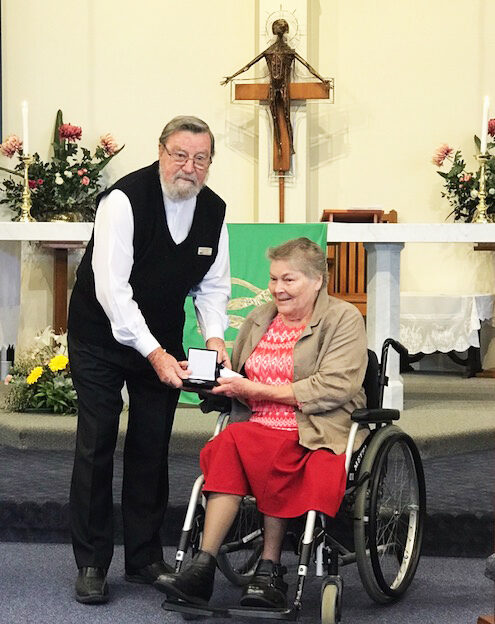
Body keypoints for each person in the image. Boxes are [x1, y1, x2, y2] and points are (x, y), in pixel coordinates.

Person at [67, 115, 231, 604]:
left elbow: (213, 284)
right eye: (180, 155)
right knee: (96, 441)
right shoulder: (122, 200)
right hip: (100, 335)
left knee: (151, 443)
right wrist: (155, 353)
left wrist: (216, 336)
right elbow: (112, 290)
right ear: (161, 152)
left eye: (201, 158)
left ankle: (142, 557)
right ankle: (93, 562)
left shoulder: (214, 210)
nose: (190, 167)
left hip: (160, 336)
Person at [154, 237, 368, 609]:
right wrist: (209, 378)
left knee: (258, 448)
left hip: (314, 428)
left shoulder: (343, 319)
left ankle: (269, 567)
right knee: (227, 446)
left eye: (289, 280)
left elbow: (334, 387)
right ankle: (202, 566)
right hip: (255, 423)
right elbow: (238, 374)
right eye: (273, 280)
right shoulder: (260, 317)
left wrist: (256, 388)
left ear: (318, 280)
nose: (277, 290)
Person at [221, 19, 330, 159]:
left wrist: (231, 77)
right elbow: (249, 65)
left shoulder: (283, 52)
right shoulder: (277, 51)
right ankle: (283, 147)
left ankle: (288, 146)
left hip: (282, 87)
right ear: (285, 31)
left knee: (282, 117)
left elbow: (307, 66)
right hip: (275, 87)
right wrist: (231, 77)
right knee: (280, 117)